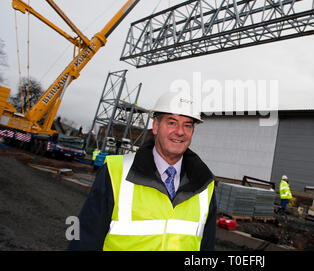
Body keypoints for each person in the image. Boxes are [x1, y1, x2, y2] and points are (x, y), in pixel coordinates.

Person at [68, 91, 216, 251]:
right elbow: (85, 239)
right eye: (172, 122)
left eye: (187, 125)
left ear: (192, 132)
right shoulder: (116, 172)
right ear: (156, 126)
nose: (180, 132)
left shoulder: (205, 184)